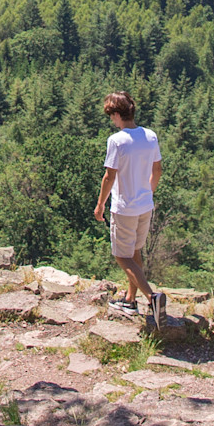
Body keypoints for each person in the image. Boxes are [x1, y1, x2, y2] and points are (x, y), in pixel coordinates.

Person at [93, 91, 163, 326]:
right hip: (145, 206)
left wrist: (100, 204)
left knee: (121, 256)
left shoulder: (117, 141)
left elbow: (109, 176)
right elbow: (158, 170)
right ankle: (130, 300)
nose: (111, 120)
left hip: (124, 208)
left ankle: (152, 298)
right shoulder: (150, 136)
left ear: (116, 114)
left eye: (111, 115)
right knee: (135, 252)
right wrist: (148, 192)